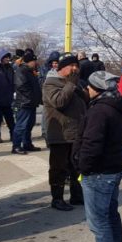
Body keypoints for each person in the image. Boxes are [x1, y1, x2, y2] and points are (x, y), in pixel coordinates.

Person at [74, 71, 122, 242]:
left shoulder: (100, 111)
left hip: (99, 171)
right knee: (110, 215)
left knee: (99, 221)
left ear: (97, 89)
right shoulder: (117, 105)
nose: (87, 90)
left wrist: (82, 166)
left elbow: (91, 143)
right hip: (112, 167)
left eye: (89, 87)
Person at [42, 54, 88, 211]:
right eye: (71, 66)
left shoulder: (75, 83)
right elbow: (59, 102)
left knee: (76, 166)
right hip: (60, 133)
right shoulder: (51, 83)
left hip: (76, 132)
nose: (75, 68)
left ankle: (76, 195)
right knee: (58, 167)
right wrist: (71, 85)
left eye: (76, 66)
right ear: (61, 68)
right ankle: (57, 198)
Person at [12, 51, 42, 154]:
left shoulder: (30, 71)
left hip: (31, 102)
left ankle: (27, 144)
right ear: (29, 61)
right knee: (21, 125)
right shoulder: (22, 71)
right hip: (24, 103)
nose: (35, 63)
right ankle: (16, 146)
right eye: (34, 61)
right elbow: (21, 86)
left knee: (29, 125)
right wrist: (31, 97)